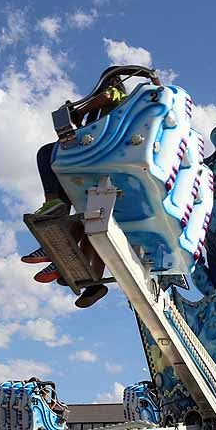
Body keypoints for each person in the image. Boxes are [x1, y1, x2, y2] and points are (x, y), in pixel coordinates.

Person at [23, 67, 153, 308]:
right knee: (92, 223)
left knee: (47, 154)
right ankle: (93, 281)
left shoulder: (115, 96)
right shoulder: (115, 112)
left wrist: (77, 110)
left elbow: (98, 102)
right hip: (104, 157)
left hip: (100, 154)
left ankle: (56, 205)